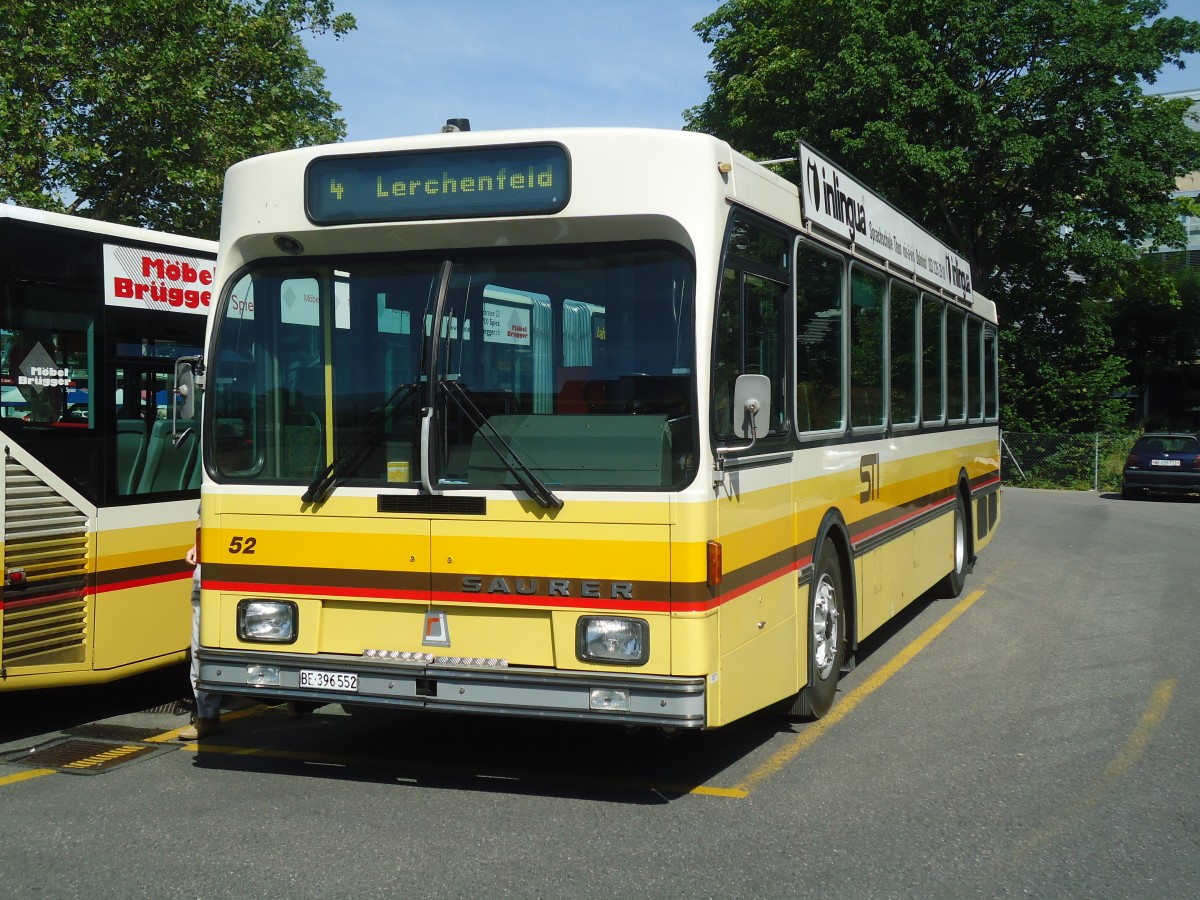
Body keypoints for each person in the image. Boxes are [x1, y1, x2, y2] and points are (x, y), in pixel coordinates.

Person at [179, 520, 222, 740]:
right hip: (210, 558)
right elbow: (204, 511)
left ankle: (294, 698)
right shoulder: (211, 485)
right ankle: (207, 716)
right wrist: (199, 544)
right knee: (201, 641)